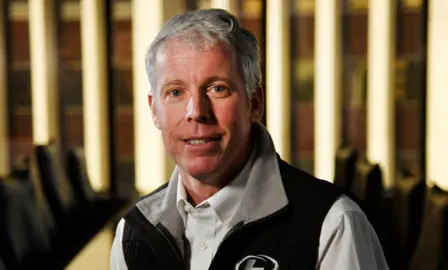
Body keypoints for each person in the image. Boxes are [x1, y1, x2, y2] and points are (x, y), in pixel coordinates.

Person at [110, 8, 389, 270]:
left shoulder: (333, 225)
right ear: (154, 110)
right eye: (175, 93)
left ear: (254, 103)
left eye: (217, 88)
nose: (196, 112)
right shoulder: (132, 234)